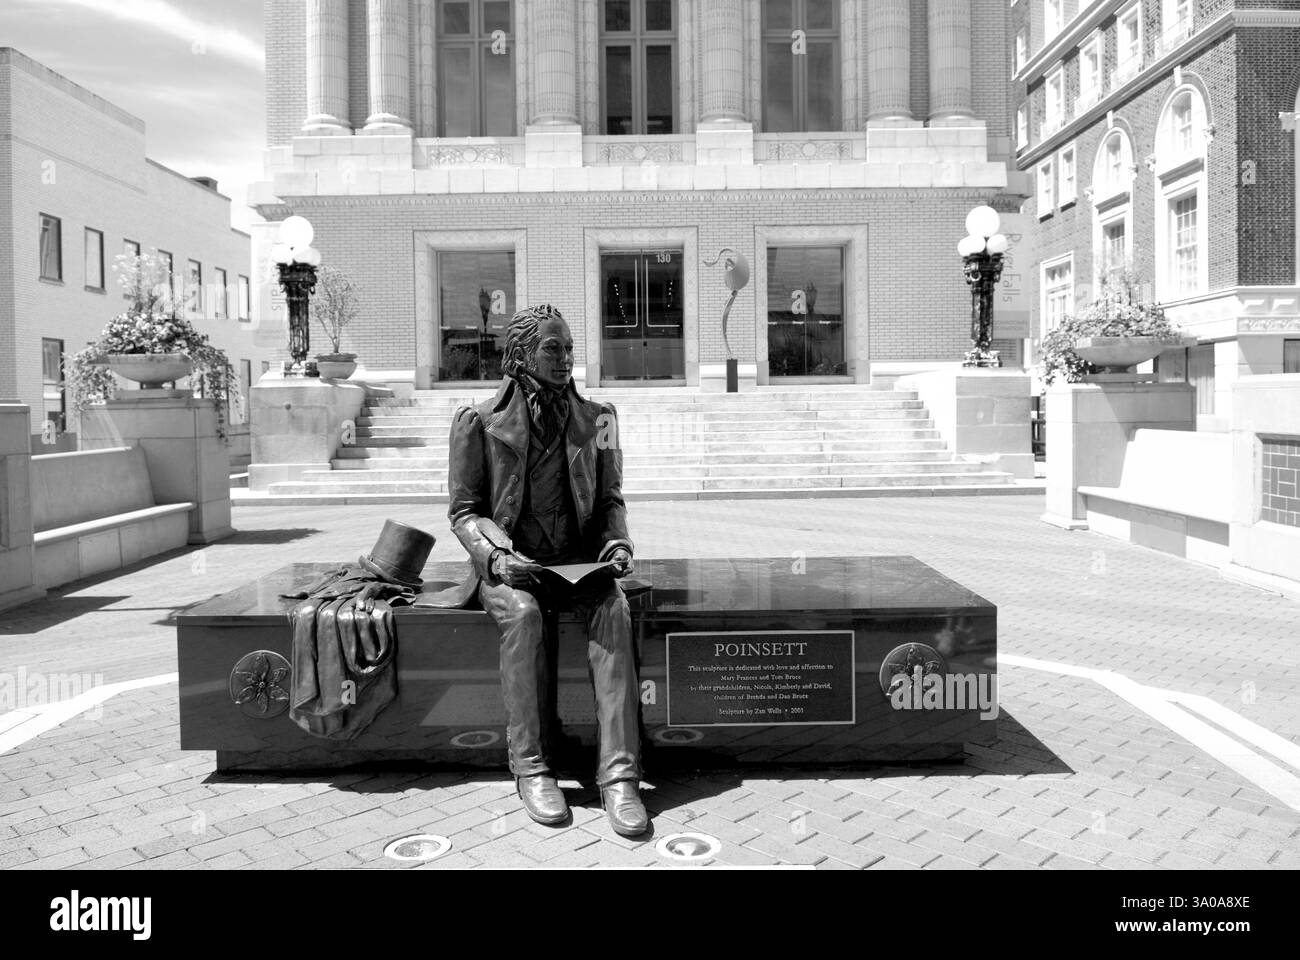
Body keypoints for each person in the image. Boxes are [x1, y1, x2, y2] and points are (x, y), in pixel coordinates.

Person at [445, 304, 647, 837]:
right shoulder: (479, 423)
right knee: (524, 615)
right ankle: (532, 768)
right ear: (521, 354)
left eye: (569, 349)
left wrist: (617, 544)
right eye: (552, 349)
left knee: (613, 608)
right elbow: (464, 513)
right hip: (512, 567)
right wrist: (495, 558)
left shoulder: (599, 419)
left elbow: (609, 500)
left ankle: (619, 777)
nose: (565, 360)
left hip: (577, 563)